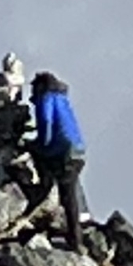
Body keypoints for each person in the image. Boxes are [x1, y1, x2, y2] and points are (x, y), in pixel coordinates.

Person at [23, 69, 88, 251]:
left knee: (67, 196)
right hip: (78, 149)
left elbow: (46, 124)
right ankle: (76, 231)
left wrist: (37, 144)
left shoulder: (46, 98)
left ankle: (75, 241)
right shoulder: (62, 99)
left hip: (63, 150)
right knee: (70, 192)